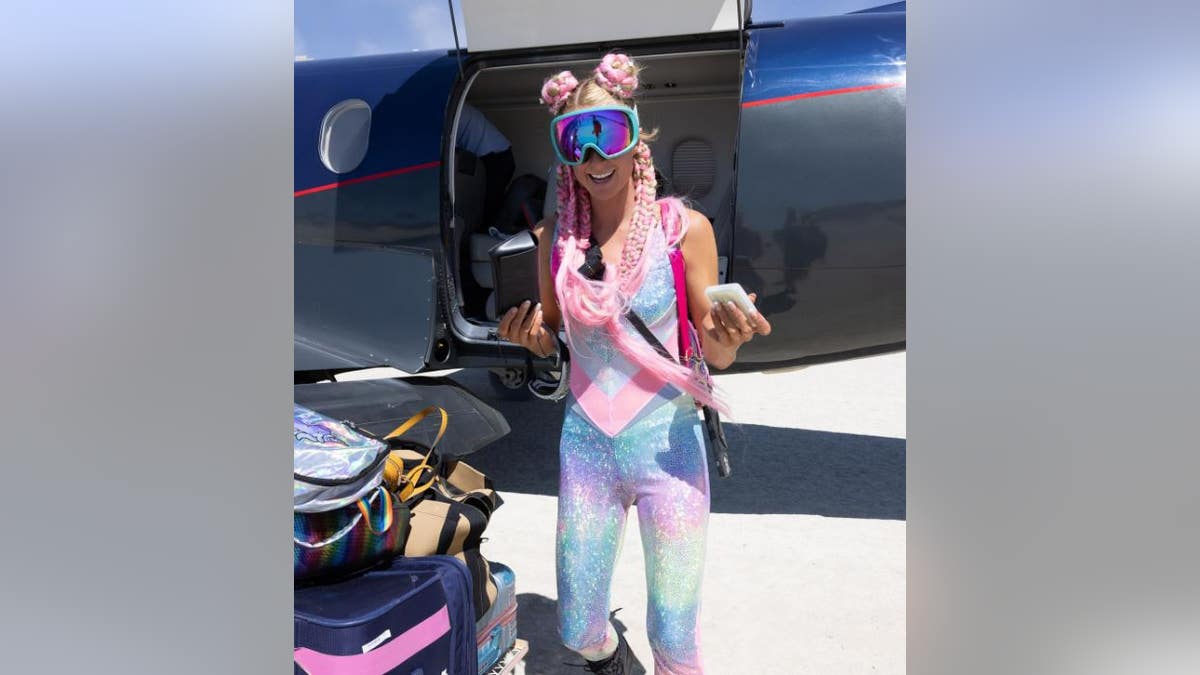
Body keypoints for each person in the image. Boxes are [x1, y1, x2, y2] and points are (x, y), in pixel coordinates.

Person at [497, 53, 771, 675]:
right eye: (577, 140)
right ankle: (616, 665)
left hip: (667, 446)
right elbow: (552, 336)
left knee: (674, 634)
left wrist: (730, 337)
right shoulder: (555, 242)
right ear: (564, 154)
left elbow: (713, 352)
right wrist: (530, 338)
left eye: (609, 133)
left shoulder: (684, 230)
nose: (596, 155)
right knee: (577, 629)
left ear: (636, 138)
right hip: (586, 445)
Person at [456, 102, 515, 229]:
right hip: (500, 154)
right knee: (486, 210)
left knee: (483, 214)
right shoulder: (455, 107)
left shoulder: (446, 113)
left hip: (496, 159)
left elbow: (449, 155)